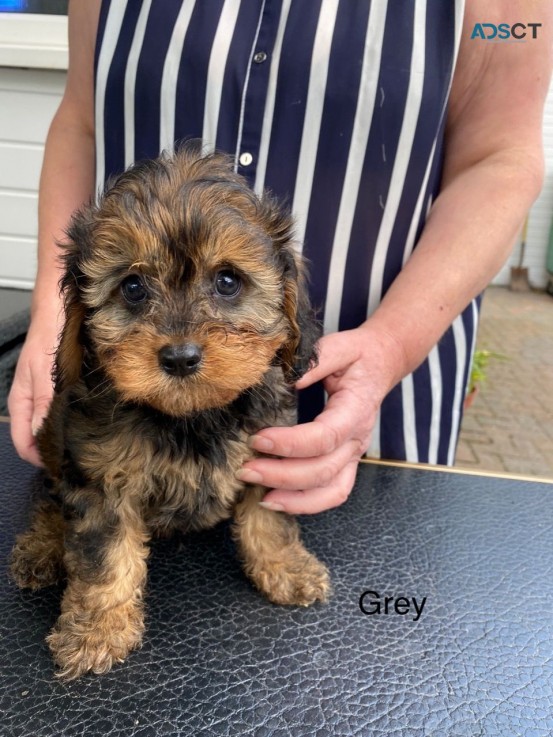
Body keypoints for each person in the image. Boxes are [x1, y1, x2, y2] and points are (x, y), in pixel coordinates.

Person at [8, 0, 552, 515]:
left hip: (376, 368)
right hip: (118, 386)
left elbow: (499, 156)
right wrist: (58, 318)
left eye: (226, 279)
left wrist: (393, 343)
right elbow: (81, 118)